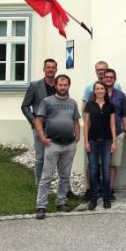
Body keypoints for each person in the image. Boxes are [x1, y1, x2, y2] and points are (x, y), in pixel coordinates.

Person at [35, 74, 81, 220]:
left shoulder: (73, 103)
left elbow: (75, 120)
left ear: (68, 86)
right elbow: (38, 120)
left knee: (65, 176)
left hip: (69, 144)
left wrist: (77, 136)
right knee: (46, 176)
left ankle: (61, 202)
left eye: (65, 85)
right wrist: (42, 137)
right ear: (56, 86)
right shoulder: (47, 102)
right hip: (53, 144)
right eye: (60, 85)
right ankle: (41, 206)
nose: (63, 87)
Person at [21, 58, 57, 186]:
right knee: (40, 158)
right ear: (44, 69)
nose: (51, 69)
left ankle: (63, 188)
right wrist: (33, 120)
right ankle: (39, 185)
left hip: (57, 128)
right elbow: (24, 106)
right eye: (48, 67)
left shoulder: (60, 85)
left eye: (53, 67)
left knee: (58, 157)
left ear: (56, 69)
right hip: (40, 127)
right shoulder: (35, 86)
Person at [83, 81, 117, 210]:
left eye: (102, 88)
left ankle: (107, 199)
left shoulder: (110, 106)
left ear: (105, 90)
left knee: (106, 172)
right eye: (97, 89)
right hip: (92, 141)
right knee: (93, 171)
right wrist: (86, 141)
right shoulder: (89, 105)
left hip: (107, 141)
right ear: (94, 91)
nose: (100, 91)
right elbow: (86, 124)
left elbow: (113, 125)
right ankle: (93, 199)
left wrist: (114, 142)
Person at [104, 69, 126, 200]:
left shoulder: (120, 95)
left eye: (111, 77)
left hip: (118, 133)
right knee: (100, 163)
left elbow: (124, 114)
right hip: (100, 133)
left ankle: (110, 189)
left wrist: (125, 131)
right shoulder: (96, 93)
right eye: (106, 77)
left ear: (115, 78)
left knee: (113, 163)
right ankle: (98, 188)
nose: (109, 79)